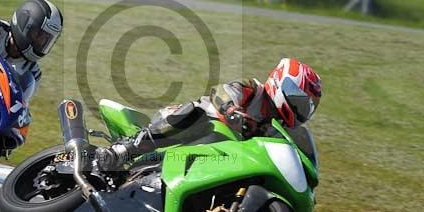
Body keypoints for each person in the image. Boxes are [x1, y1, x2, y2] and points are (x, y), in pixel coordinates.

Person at [95, 58, 322, 169]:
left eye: (307, 106)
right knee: (197, 114)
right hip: (194, 126)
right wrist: (232, 109)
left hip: (220, 154)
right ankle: (125, 149)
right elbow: (223, 93)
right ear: (283, 83)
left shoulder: (277, 128)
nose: (301, 108)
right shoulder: (253, 89)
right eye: (300, 100)